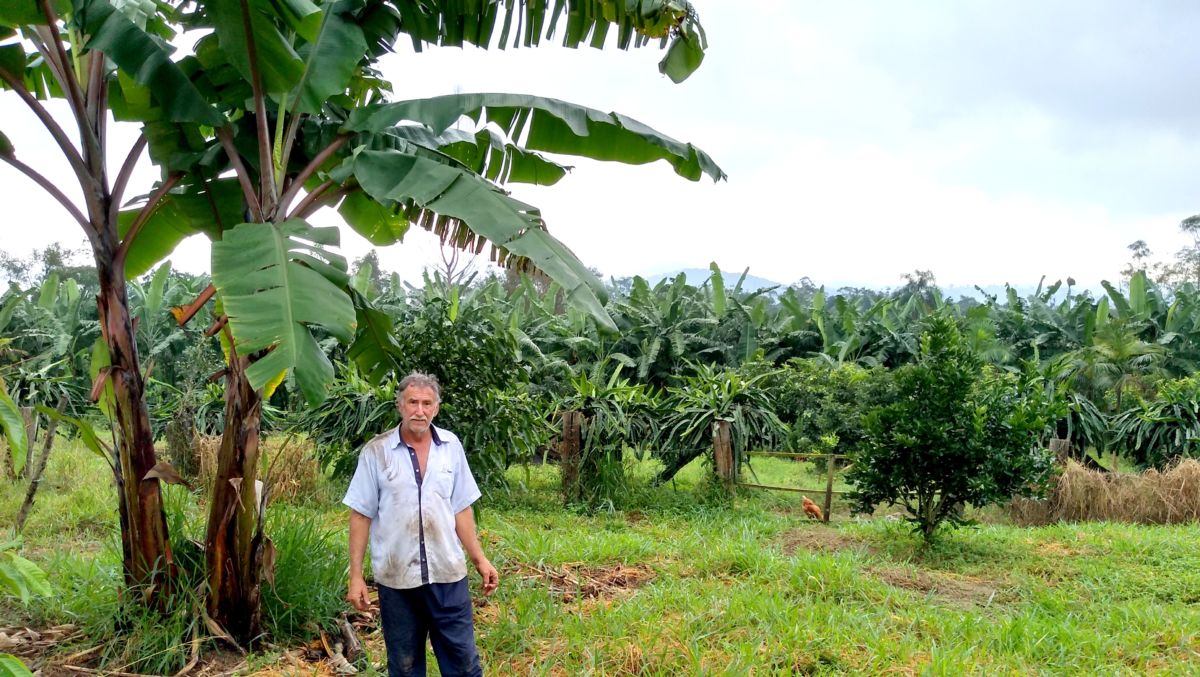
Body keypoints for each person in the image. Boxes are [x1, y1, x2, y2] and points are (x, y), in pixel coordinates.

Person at [344, 372, 499, 677]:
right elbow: (361, 515)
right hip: (397, 580)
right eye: (412, 402)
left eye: (427, 403)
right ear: (400, 406)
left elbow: (461, 509)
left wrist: (480, 559)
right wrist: (356, 577)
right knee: (404, 667)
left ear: (436, 408)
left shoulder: (451, 447)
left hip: (447, 576)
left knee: (464, 664)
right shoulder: (376, 452)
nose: (420, 410)